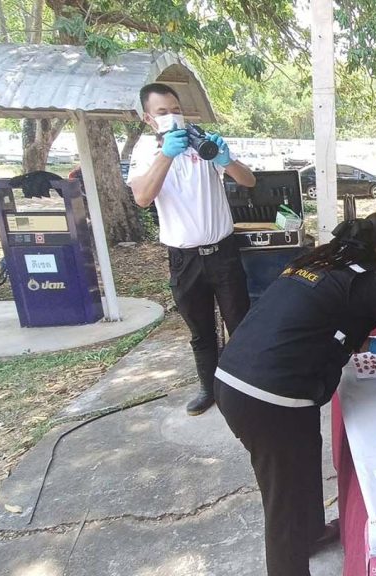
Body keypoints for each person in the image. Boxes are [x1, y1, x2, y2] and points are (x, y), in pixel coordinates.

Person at [214, 213, 376, 576]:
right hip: (268, 397)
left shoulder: (319, 261)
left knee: (304, 454)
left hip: (236, 375)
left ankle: (312, 531)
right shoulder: (374, 281)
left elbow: (327, 322)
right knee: (284, 501)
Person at [127, 82, 256, 416]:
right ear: (148, 118)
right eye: (162, 112)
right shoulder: (145, 152)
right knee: (200, 330)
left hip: (223, 252)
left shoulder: (202, 142)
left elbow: (248, 180)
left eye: (176, 110)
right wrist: (166, 155)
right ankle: (208, 387)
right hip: (185, 259)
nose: (172, 117)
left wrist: (226, 159)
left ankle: (244, 387)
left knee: (239, 324)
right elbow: (143, 197)